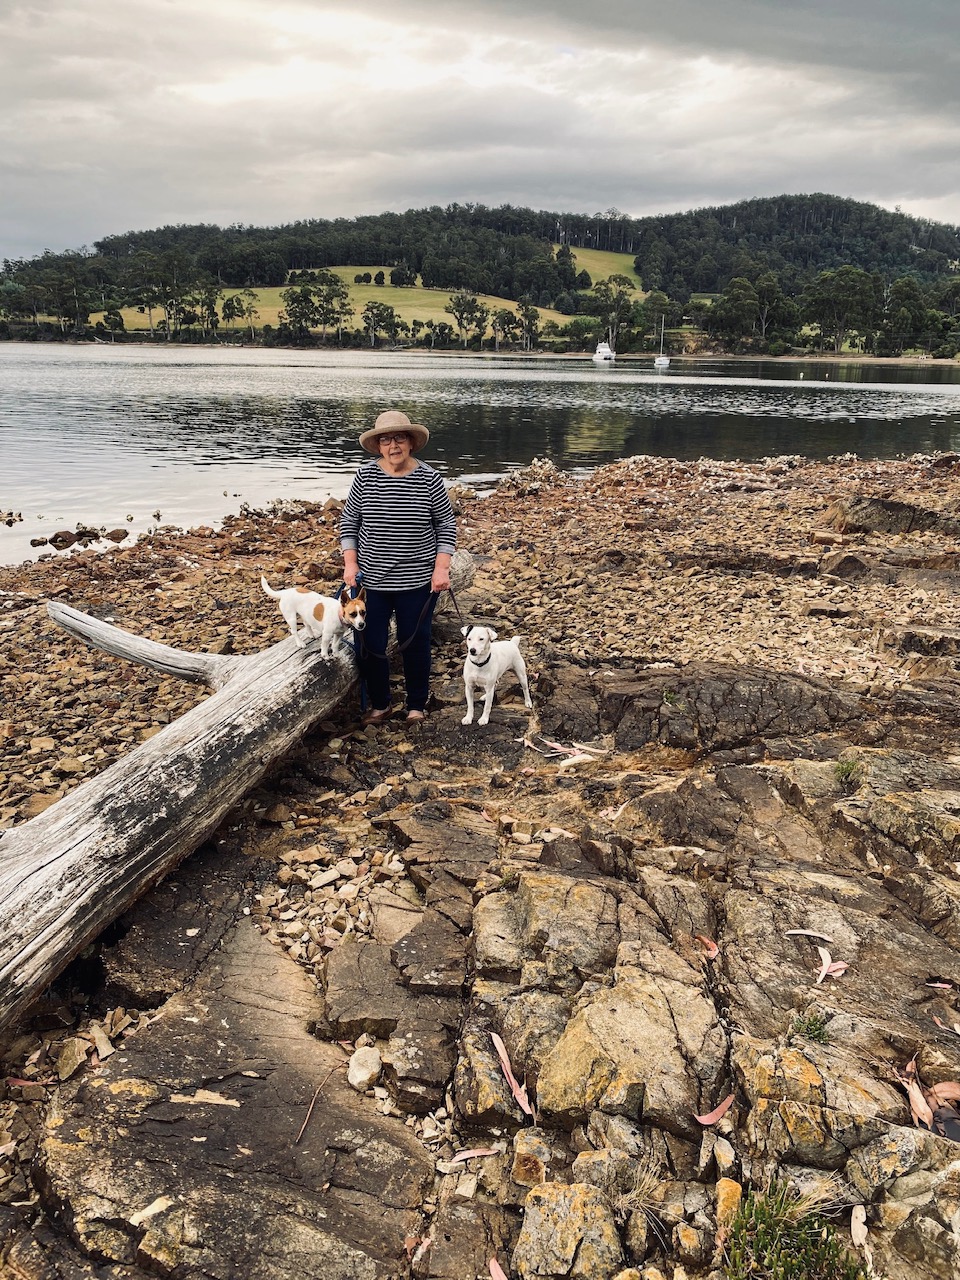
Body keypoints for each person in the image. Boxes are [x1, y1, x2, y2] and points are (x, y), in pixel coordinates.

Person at [339, 409, 457, 725]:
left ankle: (416, 705)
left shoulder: (429, 479)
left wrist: (441, 568)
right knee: (370, 645)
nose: (394, 446)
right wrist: (350, 564)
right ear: (378, 445)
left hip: (417, 580)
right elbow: (349, 523)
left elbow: (446, 525)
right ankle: (380, 704)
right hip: (370, 581)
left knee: (415, 642)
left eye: (400, 438)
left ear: (410, 443)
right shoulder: (364, 477)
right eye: (387, 439)